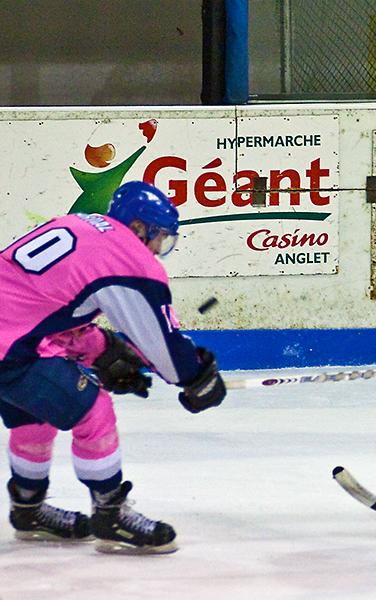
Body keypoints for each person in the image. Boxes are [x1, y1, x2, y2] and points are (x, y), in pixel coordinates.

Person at [0, 181, 226, 554]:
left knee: (33, 415)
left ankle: (28, 509)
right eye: (159, 237)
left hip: (15, 339)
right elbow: (164, 348)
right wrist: (196, 377)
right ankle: (111, 514)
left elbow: (44, 306)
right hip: (10, 351)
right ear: (138, 227)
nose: (157, 248)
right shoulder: (129, 258)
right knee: (94, 410)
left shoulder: (81, 225)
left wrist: (102, 350)